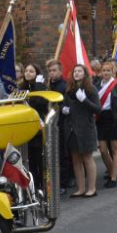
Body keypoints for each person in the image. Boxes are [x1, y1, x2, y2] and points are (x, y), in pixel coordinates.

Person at [62, 64, 100, 197]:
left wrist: (84, 100)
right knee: (76, 159)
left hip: (86, 129)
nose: (76, 73)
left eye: (79, 71)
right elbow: (65, 106)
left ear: (85, 74)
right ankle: (81, 188)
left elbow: (97, 109)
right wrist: (64, 110)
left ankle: (92, 188)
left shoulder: (91, 89)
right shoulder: (69, 90)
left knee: (87, 158)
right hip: (72, 129)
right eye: (75, 71)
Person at [95, 60, 117, 188]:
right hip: (101, 119)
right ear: (101, 72)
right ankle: (113, 170)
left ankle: (113, 177)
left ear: (113, 71)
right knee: (103, 150)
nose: (106, 73)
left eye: (108, 70)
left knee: (115, 149)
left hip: (114, 119)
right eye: (104, 70)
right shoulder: (97, 85)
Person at [19, 63, 48, 189]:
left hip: (38, 128)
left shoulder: (41, 87)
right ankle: (33, 185)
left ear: (37, 74)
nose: (28, 73)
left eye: (31, 71)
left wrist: (38, 86)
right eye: (26, 70)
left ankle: (43, 185)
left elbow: (39, 103)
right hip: (26, 128)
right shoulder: (21, 88)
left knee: (38, 159)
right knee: (29, 159)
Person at [46, 59, 73, 193]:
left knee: (62, 154)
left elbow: (68, 103)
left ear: (60, 71)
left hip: (61, 124)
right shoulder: (47, 85)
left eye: (54, 70)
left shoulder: (64, 86)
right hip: (49, 123)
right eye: (50, 71)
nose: (52, 73)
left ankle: (64, 182)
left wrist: (63, 108)